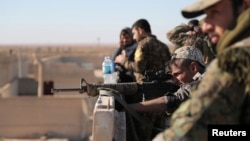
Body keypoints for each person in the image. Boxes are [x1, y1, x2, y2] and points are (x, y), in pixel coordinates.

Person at [153, 0, 250, 140]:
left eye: (215, 12)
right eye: (205, 15)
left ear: (245, 5)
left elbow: (189, 130)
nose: (205, 26)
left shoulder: (236, 58)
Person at [115, 19, 171, 83]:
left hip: (145, 86)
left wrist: (123, 60)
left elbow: (138, 67)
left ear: (140, 30)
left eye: (134, 33)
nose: (134, 37)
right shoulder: (163, 45)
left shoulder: (143, 44)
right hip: (162, 84)